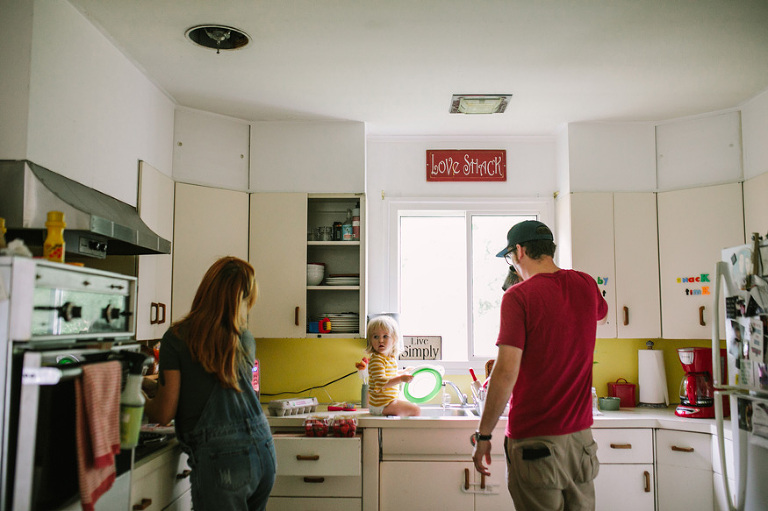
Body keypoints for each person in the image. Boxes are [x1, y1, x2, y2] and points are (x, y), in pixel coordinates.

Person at [471, 220, 608, 511]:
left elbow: (505, 373)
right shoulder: (585, 283)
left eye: (509, 257)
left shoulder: (518, 297)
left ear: (519, 251)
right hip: (580, 441)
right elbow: (601, 315)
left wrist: (484, 435)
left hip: (535, 442)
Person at [143, 256, 276, 511]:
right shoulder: (244, 338)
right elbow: (218, 386)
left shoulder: (177, 337)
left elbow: (163, 412)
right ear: (242, 300)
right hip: (263, 450)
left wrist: (137, 398)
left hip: (222, 459)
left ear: (207, 289)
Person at [365, 315, 421, 417]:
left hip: (385, 403)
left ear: (394, 339)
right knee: (415, 410)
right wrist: (401, 378)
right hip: (381, 405)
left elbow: (390, 375)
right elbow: (381, 382)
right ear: (370, 340)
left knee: (413, 408)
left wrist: (402, 372)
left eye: (385, 336)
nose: (380, 340)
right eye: (375, 337)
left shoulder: (389, 358)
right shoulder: (377, 360)